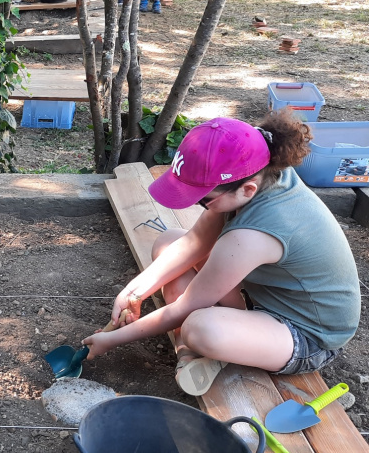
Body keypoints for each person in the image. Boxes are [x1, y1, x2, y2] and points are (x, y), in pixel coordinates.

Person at [83, 113, 359, 396]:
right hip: (265, 291)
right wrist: (134, 292)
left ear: (246, 189)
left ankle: (199, 348)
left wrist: (114, 339)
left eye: (203, 199)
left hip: (306, 335)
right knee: (169, 242)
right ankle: (207, 349)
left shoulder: (251, 235)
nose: (196, 204)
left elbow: (186, 307)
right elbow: (193, 243)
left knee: (199, 328)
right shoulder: (257, 168)